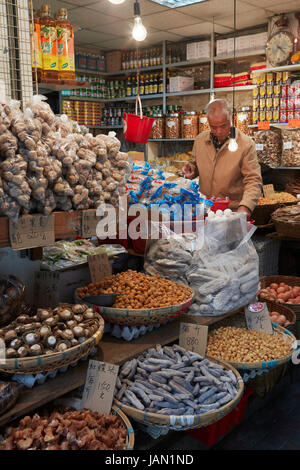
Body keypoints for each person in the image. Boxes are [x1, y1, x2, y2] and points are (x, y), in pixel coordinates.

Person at [182, 99, 262, 216]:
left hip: (231, 212)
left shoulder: (246, 144)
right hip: (204, 210)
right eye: (213, 127)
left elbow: (253, 180)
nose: (219, 131)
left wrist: (246, 207)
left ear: (231, 119)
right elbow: (195, 164)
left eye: (223, 126)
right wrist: (191, 170)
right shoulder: (200, 140)